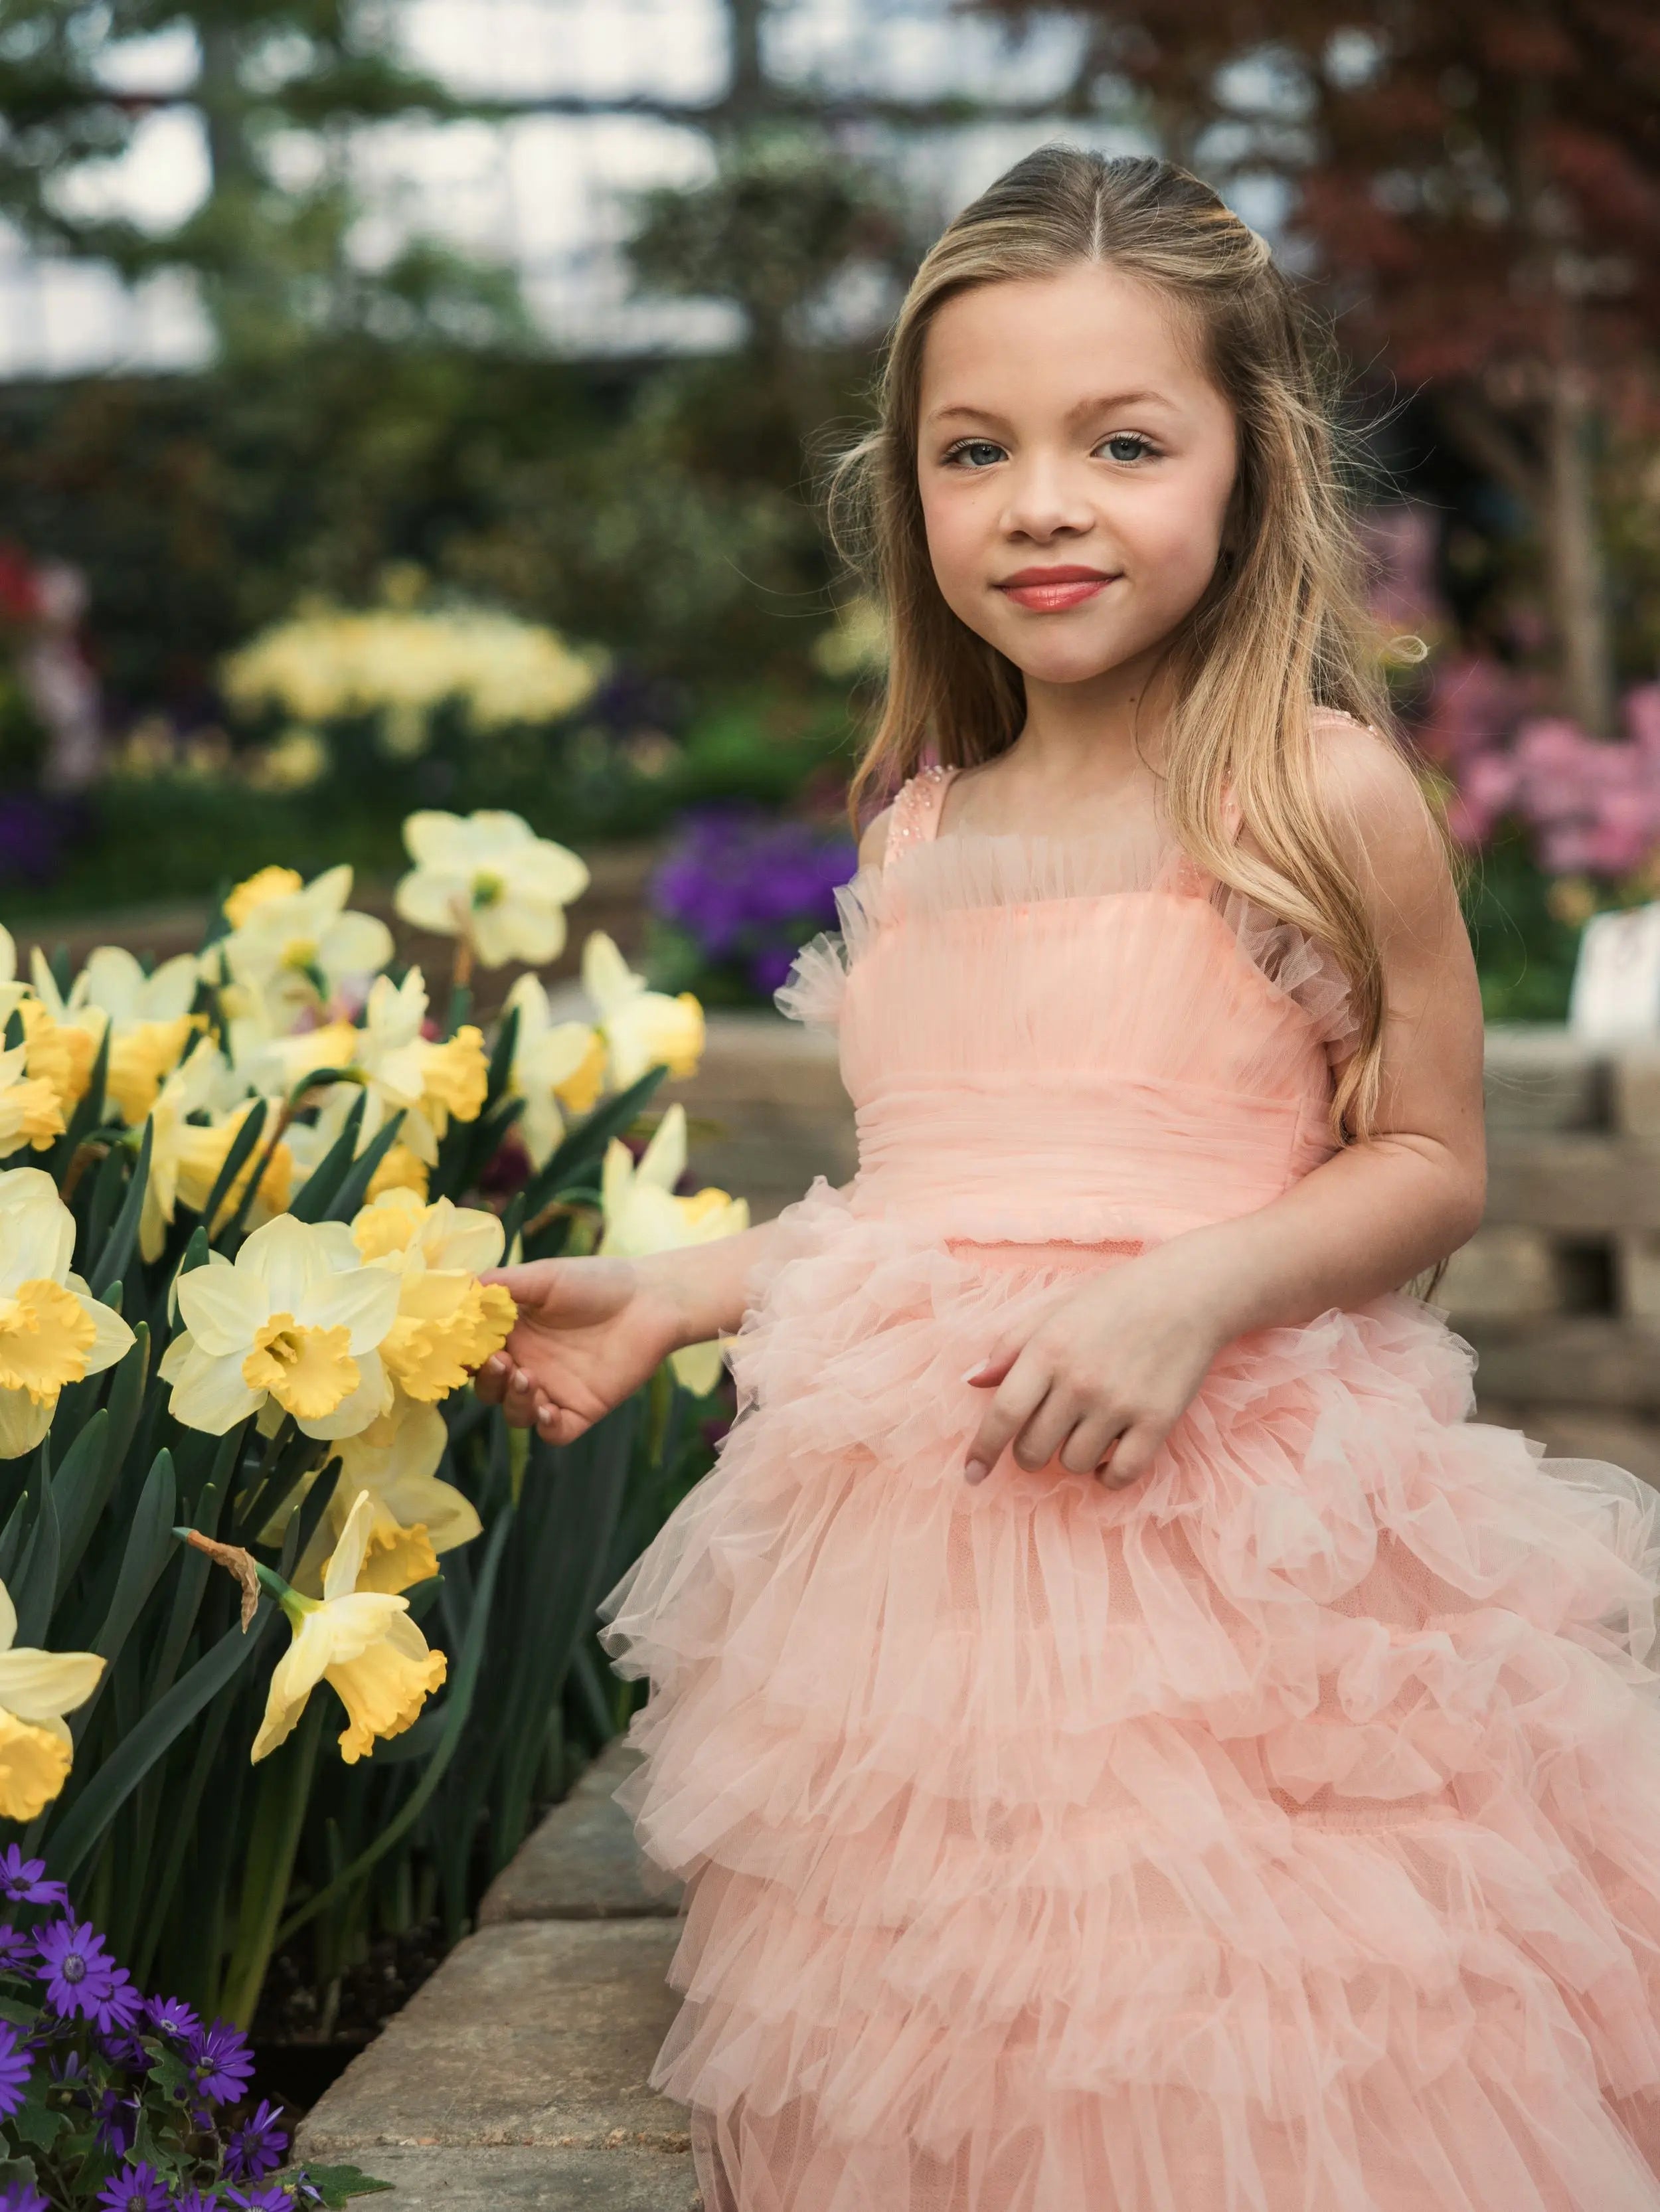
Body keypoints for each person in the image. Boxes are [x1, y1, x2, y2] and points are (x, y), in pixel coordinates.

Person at [475, 148, 1660, 2211]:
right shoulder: (921, 827)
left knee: (1249, 2065)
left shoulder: (1309, 794)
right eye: (972, 449)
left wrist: (1185, 1289)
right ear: (904, 490)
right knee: (975, 2077)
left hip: (1235, 1575)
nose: (1038, 501)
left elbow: (1429, 1161)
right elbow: (933, 1211)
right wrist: (674, 1284)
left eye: (1120, 441)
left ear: (1246, 465)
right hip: (929, 1605)